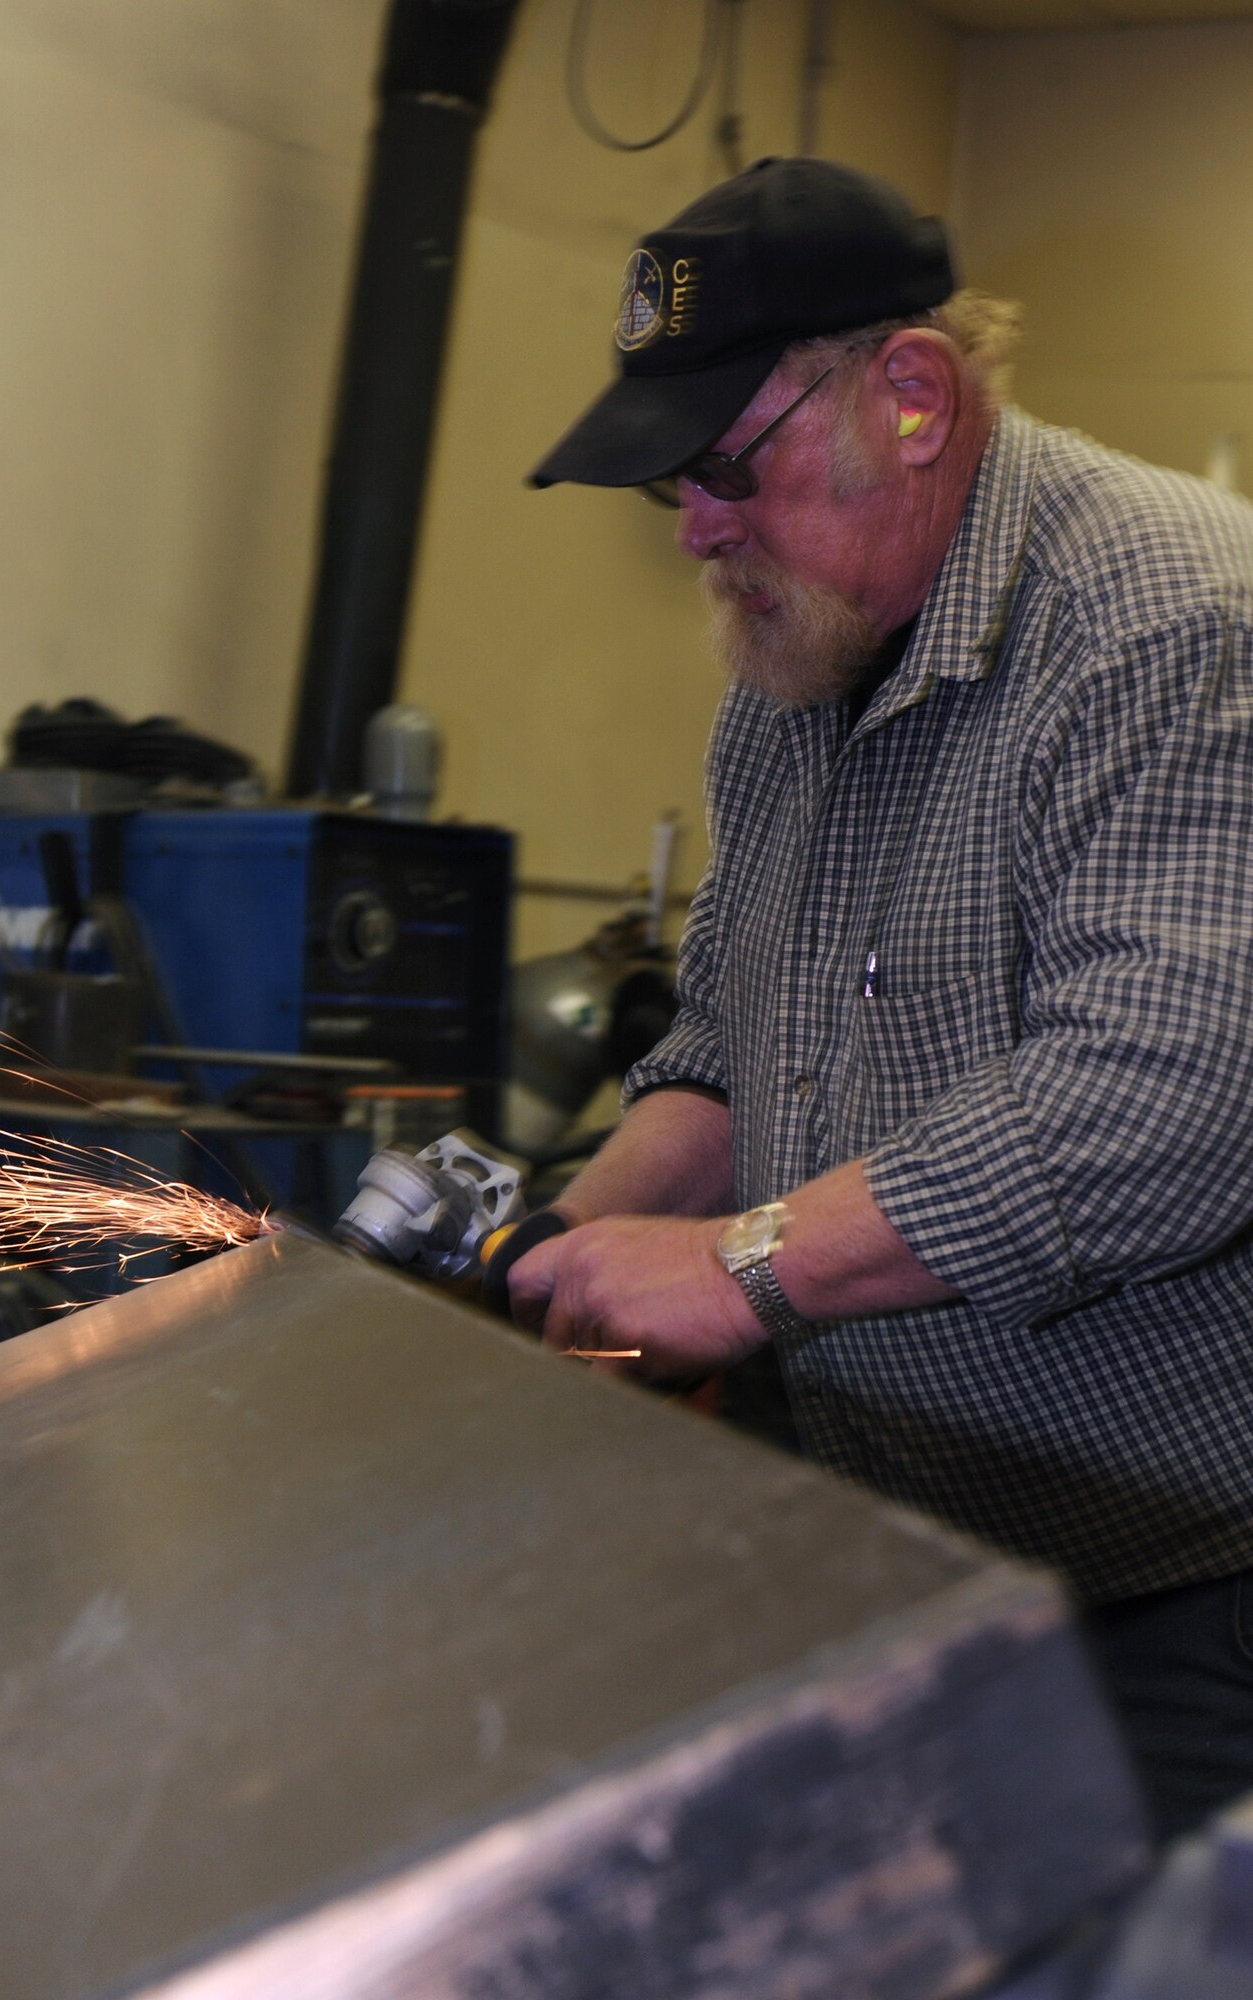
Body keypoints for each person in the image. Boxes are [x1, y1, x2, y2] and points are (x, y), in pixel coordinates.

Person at [516, 155, 1253, 1844]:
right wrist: (561, 1259)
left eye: (720, 466)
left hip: (1177, 1582)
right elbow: (724, 1053)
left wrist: (736, 1272)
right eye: (669, 492)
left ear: (911, 397)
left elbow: (1174, 1102)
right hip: (893, 1548)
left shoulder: (1183, 626)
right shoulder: (795, 665)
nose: (697, 527)